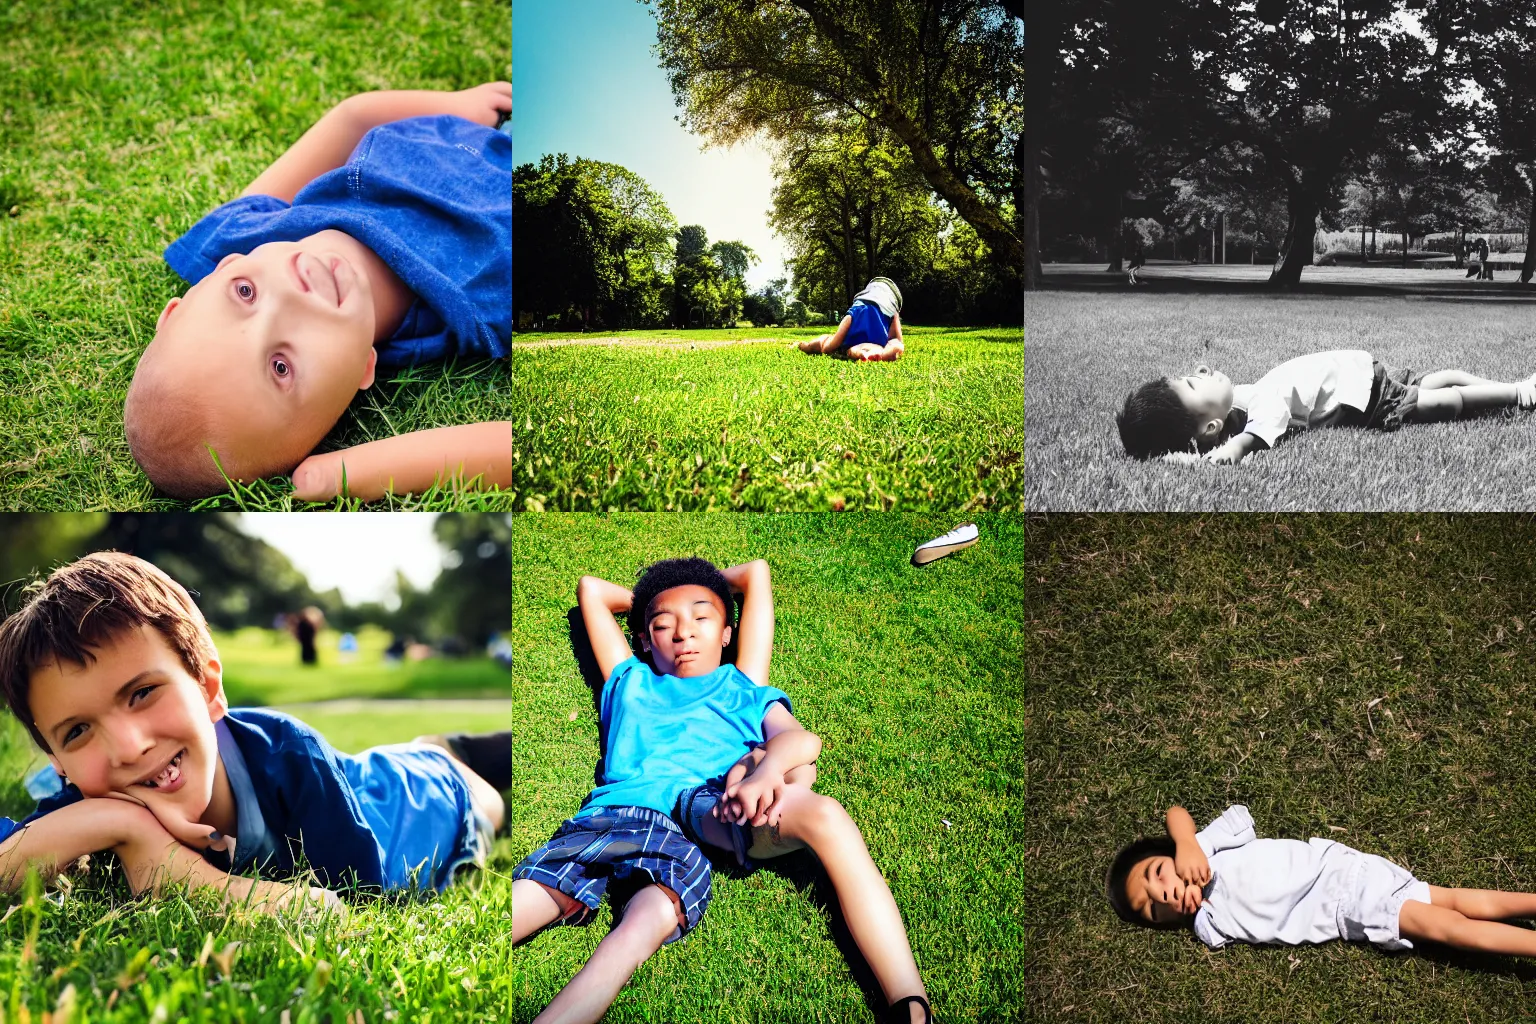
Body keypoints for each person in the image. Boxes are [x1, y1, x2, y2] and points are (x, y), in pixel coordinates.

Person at [512, 557, 931, 1024]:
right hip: (613, 815)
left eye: (702, 618)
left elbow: (800, 736)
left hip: (706, 813)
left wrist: (768, 768)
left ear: (728, 633)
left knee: (823, 816)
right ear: (644, 640)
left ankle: (910, 1005)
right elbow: (590, 587)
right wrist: (658, 598)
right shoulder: (629, 679)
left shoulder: (742, 686)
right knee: (530, 895)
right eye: (664, 625)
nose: (684, 633)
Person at [0, 552, 507, 910]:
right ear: (58, 765)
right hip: (364, 774)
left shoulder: (291, 754)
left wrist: (191, 881)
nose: (130, 748)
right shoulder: (90, 797)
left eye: (142, 693)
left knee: (484, 792)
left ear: (208, 687)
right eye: (78, 731)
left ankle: (443, 749)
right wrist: (120, 825)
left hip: (434, 795)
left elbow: (341, 913)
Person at [123, 83, 514, 501]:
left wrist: (458, 105)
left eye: (245, 293)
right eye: (280, 367)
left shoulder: (238, 235)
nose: (292, 296)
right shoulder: (486, 305)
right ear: (361, 372)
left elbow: (352, 118)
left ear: (225, 269)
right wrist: (341, 474)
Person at [1109, 804, 1536, 960]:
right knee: (1453, 902)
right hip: (1347, 907)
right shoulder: (1209, 925)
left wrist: (1187, 842)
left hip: (1346, 882)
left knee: (1451, 928)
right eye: (1154, 906)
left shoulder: (1208, 848)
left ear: (1168, 854)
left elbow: (1176, 811)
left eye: (1156, 874)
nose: (1163, 892)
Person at [1116, 350, 1536, 463]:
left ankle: (1512, 390)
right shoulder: (1250, 411)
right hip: (1362, 389)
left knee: (1443, 392)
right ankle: (1519, 393)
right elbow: (1260, 428)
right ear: (1211, 428)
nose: (1203, 368)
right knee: (1444, 393)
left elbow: (1256, 422)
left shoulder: (1244, 405)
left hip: (1356, 379)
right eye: (1194, 381)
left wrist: (1228, 447)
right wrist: (1229, 449)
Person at [797, 277, 906, 362]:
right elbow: (896, 338)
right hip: (877, 340)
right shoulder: (891, 311)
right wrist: (895, 345)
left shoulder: (860, 305)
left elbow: (847, 320)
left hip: (853, 327)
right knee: (890, 344)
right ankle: (875, 352)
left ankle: (804, 345)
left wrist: (831, 344)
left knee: (825, 342)